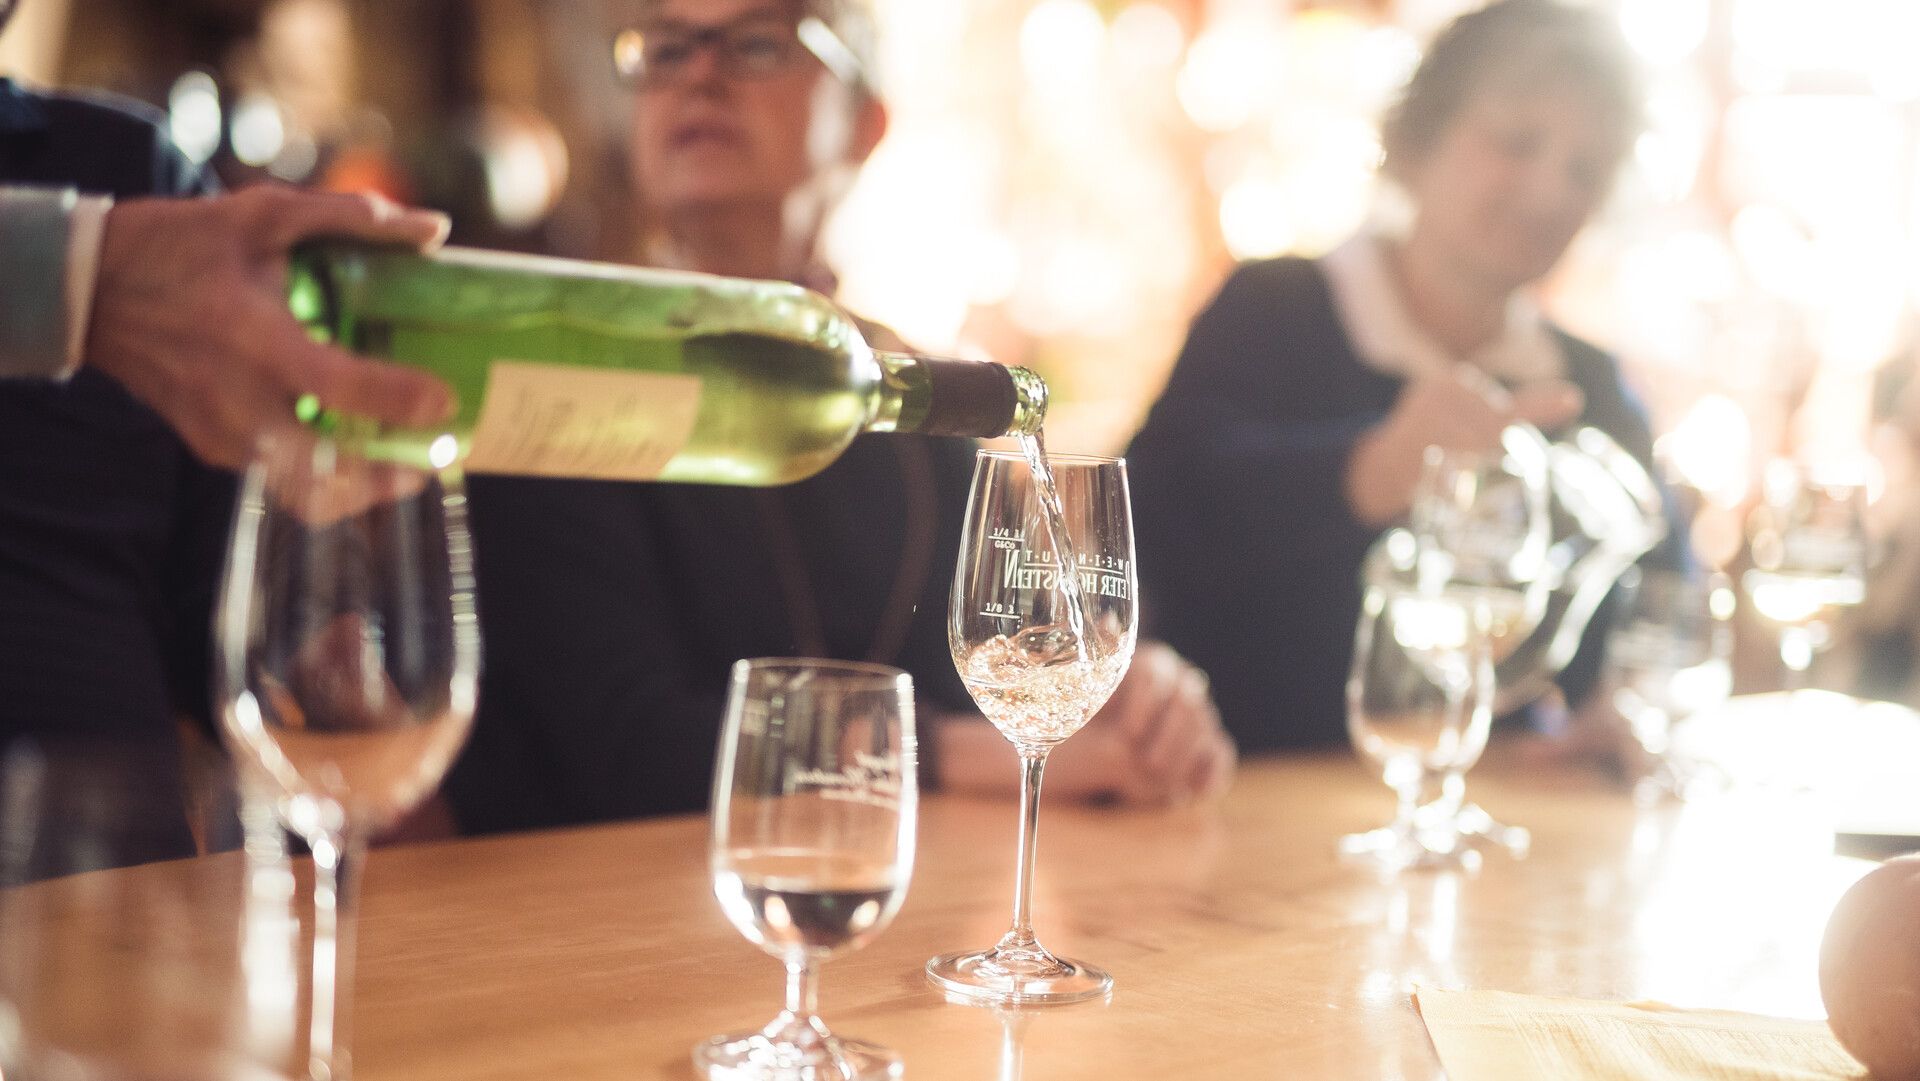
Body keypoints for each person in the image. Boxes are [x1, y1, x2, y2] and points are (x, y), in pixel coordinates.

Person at [437, 0, 1236, 834]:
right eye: (666, 50)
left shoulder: (917, 399)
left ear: (865, 122)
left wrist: (1134, 702)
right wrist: (944, 751)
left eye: (754, 44)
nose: (701, 77)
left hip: (887, 909)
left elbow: (1007, 657)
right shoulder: (558, 377)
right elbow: (617, 748)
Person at [1127, 0, 1684, 754]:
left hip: (1500, 822)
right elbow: (1140, 526)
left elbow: (1664, 599)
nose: (1552, 191)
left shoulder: (1588, 384)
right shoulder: (1276, 311)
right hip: (1241, 794)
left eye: (1584, 169)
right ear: (1418, 141)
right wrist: (1367, 468)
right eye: (1519, 142)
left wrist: (1619, 709)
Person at [0, 0, 449, 864]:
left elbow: (218, 608)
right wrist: (78, 272)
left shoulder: (130, 172)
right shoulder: (121, 240)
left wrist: (309, 659)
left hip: (114, 921)